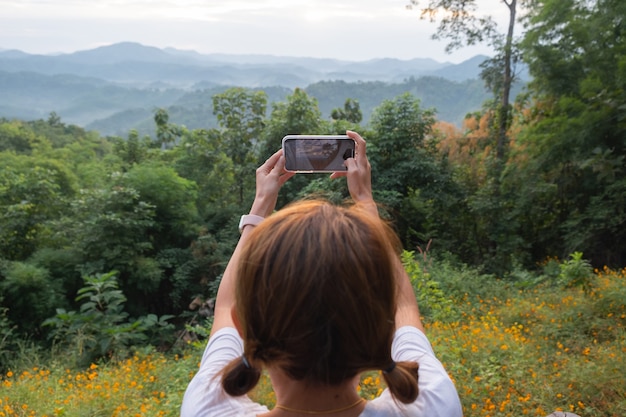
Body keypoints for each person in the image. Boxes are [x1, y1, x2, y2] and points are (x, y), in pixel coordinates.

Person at [180, 131, 463, 417]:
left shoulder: (204, 409)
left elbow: (226, 307)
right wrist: (365, 201)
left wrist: (260, 205)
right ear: (381, 327)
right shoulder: (434, 406)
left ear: (244, 325)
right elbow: (403, 305)